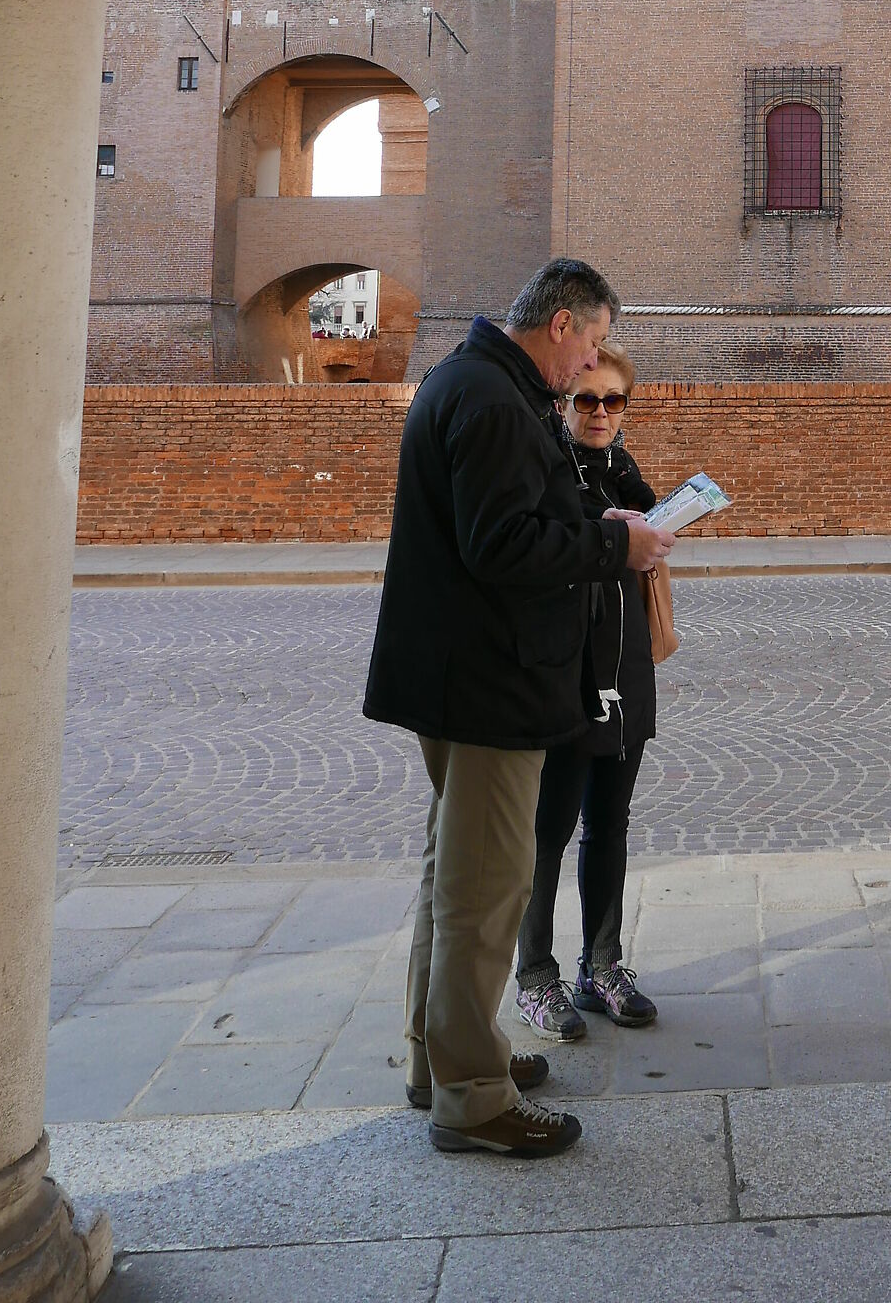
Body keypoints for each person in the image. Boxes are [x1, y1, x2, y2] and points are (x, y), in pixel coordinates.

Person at [363, 259, 672, 1159]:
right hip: (488, 683)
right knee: (485, 892)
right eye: (595, 343)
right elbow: (502, 545)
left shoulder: (472, 382)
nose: (593, 367)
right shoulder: (495, 401)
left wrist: (601, 528)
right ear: (564, 324)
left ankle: (445, 1058)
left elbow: (500, 527)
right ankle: (471, 1095)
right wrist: (613, 545)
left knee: (451, 879)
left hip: (462, 676)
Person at [515, 337, 662, 1039]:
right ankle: (535, 976)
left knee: (612, 822)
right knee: (549, 828)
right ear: (566, 402)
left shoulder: (624, 471)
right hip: (568, 670)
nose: (601, 412)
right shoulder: (548, 468)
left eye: (614, 400)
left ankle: (602, 964)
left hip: (626, 665)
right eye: (588, 399)